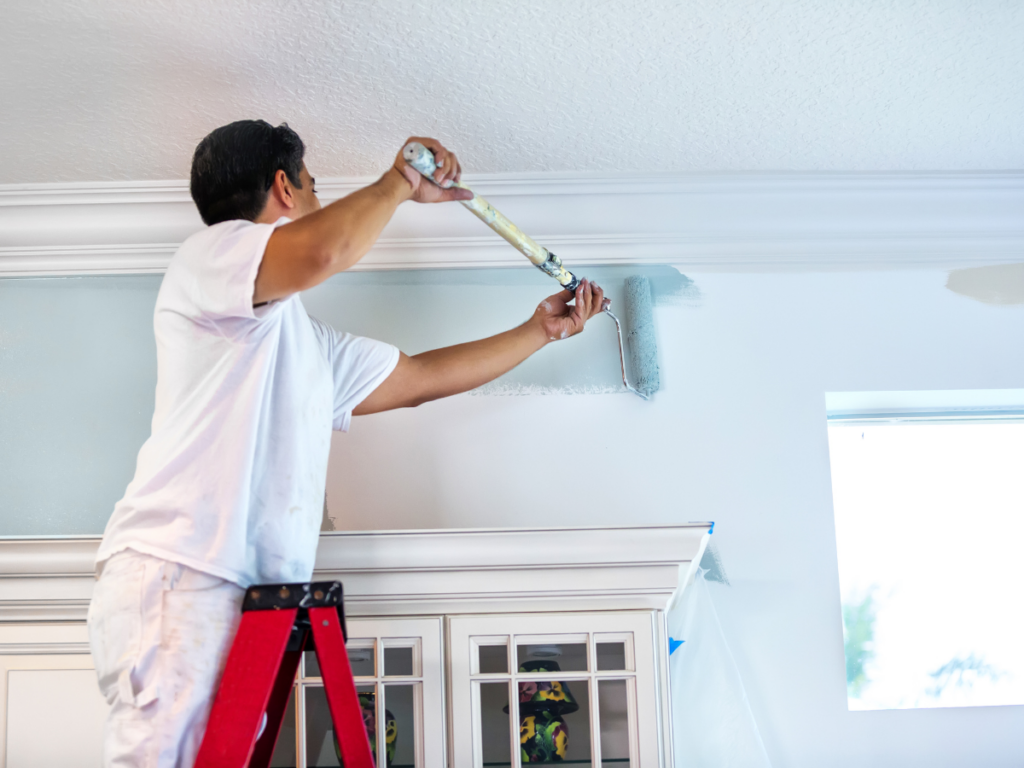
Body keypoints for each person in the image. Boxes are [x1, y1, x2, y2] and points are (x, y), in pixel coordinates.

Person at [87, 120, 607, 767]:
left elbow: (417, 379)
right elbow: (322, 253)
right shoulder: (210, 257)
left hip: (241, 594)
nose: (316, 198)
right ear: (283, 187)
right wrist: (399, 183)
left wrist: (539, 332)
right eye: (312, 185)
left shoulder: (301, 346)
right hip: (183, 570)